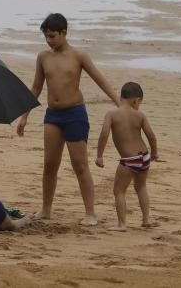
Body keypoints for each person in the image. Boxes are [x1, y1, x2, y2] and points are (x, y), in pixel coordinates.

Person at [16, 13, 120, 225]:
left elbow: (100, 80)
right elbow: (36, 87)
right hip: (53, 115)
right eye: (46, 36)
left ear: (64, 33)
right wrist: (24, 115)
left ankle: (90, 213)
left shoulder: (78, 56)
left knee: (80, 164)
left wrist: (120, 103)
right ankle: (46, 209)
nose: (48, 40)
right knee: (49, 164)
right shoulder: (43, 57)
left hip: (74, 114)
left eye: (52, 36)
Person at [96, 81, 159, 231]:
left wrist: (100, 155)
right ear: (136, 100)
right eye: (140, 103)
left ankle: (122, 224)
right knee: (141, 187)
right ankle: (145, 220)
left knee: (119, 191)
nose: (139, 106)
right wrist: (155, 152)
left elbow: (104, 134)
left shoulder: (112, 114)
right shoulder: (140, 115)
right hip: (144, 157)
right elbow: (151, 136)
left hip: (129, 160)